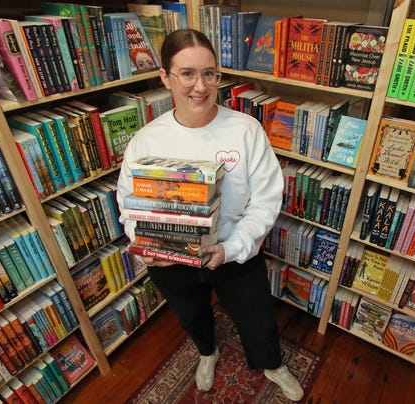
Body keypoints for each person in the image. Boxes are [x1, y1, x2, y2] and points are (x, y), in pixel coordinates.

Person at [116, 28, 304, 402]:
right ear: (165, 78)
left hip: (234, 252)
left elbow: (266, 201)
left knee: (257, 316)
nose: (200, 86)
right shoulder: (146, 140)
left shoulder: (246, 130)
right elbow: (129, 203)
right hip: (172, 260)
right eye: (187, 73)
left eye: (209, 73)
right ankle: (207, 351)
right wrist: (145, 242)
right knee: (192, 315)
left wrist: (232, 248)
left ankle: (270, 363)